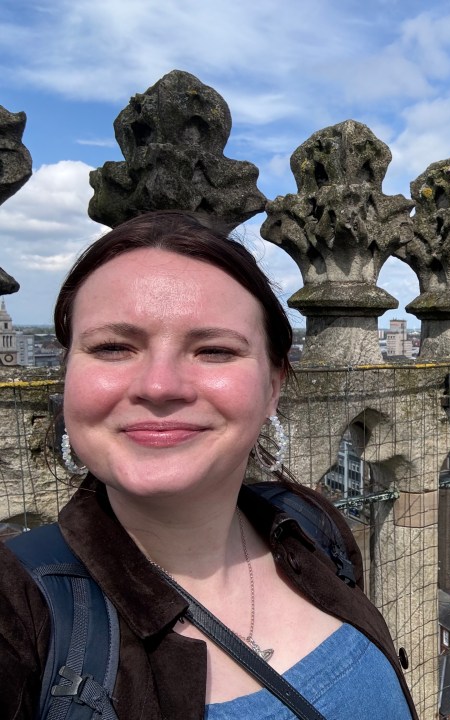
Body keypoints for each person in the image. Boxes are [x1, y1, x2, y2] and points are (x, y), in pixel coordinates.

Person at [0, 211, 417, 719]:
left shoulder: (311, 525)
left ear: (273, 386)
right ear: (66, 378)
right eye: (112, 347)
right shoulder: (18, 609)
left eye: (214, 350)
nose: (159, 386)